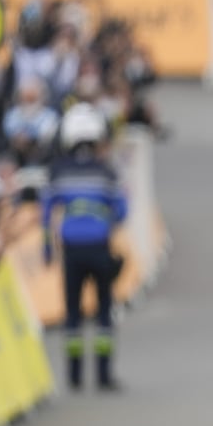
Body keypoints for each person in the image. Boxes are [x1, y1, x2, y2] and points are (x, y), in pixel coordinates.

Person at [40, 101, 128, 391]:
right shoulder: (107, 172)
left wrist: (47, 249)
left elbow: (46, 211)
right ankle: (103, 376)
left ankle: (75, 378)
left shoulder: (58, 171)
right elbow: (122, 210)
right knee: (104, 311)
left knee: (73, 314)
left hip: (71, 251)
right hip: (100, 247)